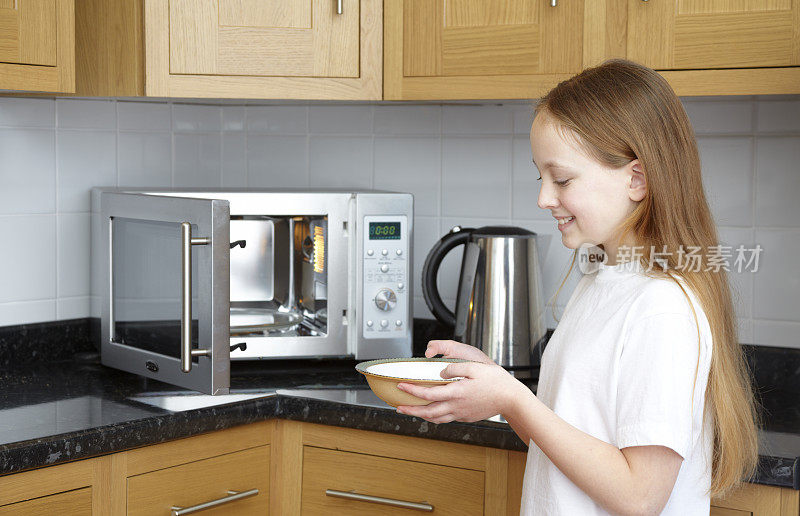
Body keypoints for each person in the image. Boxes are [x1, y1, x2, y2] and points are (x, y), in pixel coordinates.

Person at [394, 59, 760, 515]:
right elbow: (564, 441)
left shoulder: (661, 307)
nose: (544, 198)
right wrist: (506, 392)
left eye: (562, 179)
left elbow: (640, 496)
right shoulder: (601, 280)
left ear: (637, 179)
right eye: (541, 177)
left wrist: (513, 398)